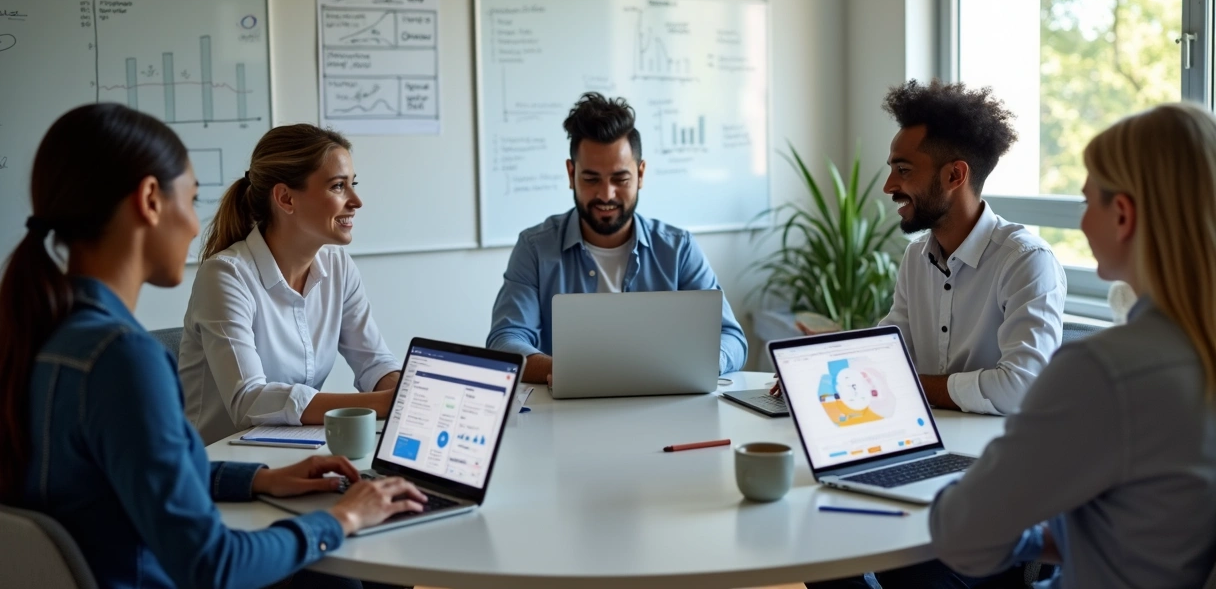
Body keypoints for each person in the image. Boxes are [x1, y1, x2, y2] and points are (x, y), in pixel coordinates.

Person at [0, 103, 426, 589]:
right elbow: (213, 565)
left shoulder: (47, 333)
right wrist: (340, 521)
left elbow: (132, 477)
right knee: (357, 570)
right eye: (193, 198)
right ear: (150, 200)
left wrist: (258, 479)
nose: (193, 226)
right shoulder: (122, 359)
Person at [930, 103, 1216, 588]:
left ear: (1122, 215)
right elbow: (1152, 528)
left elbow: (961, 535)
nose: (1082, 223)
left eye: (1087, 203)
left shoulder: (1105, 371)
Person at [781, 79, 1066, 418]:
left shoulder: (1026, 261)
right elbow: (889, 353)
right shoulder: (917, 257)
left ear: (954, 176)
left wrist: (906, 382)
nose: (889, 186)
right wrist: (822, 366)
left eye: (903, 170)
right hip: (925, 435)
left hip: (995, 453)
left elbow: (1021, 389)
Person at [486, 92, 747, 384]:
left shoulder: (678, 249)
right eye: (591, 179)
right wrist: (572, 373)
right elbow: (505, 341)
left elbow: (731, 337)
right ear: (571, 174)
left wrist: (698, 365)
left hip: (666, 413)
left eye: (620, 179)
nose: (606, 194)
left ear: (641, 174)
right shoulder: (535, 248)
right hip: (565, 417)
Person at [179, 125, 401, 445]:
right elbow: (249, 400)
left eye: (353, 184)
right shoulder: (225, 276)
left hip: (292, 455)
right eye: (338, 186)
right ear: (285, 198)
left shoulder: (339, 268)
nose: (356, 201)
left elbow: (375, 362)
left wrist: (402, 392)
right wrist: (381, 403)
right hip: (217, 470)